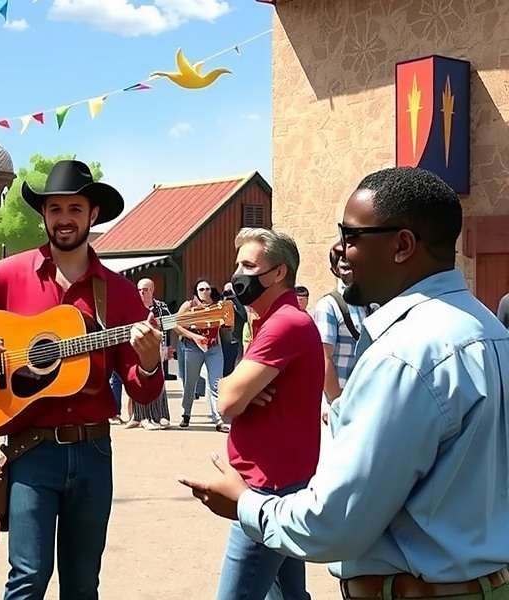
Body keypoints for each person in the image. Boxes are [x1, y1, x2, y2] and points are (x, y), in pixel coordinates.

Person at [182, 167, 509, 599]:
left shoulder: (407, 353)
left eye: (351, 237)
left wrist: (243, 504)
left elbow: (335, 523)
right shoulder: (488, 328)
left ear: (402, 245)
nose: (338, 251)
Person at [0, 160, 163, 600]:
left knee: (81, 585)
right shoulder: (10, 273)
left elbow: (140, 387)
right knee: (27, 578)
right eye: (55, 209)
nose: (64, 219)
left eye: (75, 209)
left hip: (93, 451)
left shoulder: (117, 291)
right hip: (32, 449)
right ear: (44, 215)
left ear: (93, 214)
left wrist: (149, 363)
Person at [208, 228, 324, 600]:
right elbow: (234, 396)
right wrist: (240, 388)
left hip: (266, 488)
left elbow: (225, 403)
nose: (237, 275)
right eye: (237, 264)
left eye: (248, 265)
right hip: (282, 482)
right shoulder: (274, 320)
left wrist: (235, 388)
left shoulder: (284, 322)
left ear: (278, 273)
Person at [314, 246, 373, 426]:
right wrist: (336, 404)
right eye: (339, 258)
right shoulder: (329, 305)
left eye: (349, 256)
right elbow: (324, 358)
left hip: (367, 399)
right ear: (334, 269)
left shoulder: (371, 304)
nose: (344, 260)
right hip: (342, 403)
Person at [175, 278, 228, 432]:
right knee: (190, 383)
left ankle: (218, 418)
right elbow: (175, 324)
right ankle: (186, 413)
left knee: (216, 383)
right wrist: (194, 337)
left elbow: (226, 322)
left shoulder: (217, 305)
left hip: (213, 348)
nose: (205, 292)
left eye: (207, 289)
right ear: (196, 292)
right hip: (193, 347)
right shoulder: (189, 305)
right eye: (201, 289)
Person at [125, 278, 174, 430]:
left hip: (157, 347)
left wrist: (169, 348)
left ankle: (161, 415)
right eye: (139, 289)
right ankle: (141, 417)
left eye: (145, 290)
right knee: (139, 381)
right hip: (137, 348)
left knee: (159, 383)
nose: (141, 292)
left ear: (152, 290)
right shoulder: (132, 306)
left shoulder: (161, 307)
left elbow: (171, 325)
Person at [219, 281, 247, 377]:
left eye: (230, 291)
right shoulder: (222, 302)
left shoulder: (241, 303)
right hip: (224, 339)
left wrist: (235, 299)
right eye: (226, 291)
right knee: (225, 367)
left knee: (237, 364)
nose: (228, 293)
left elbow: (244, 316)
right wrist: (224, 299)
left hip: (238, 338)